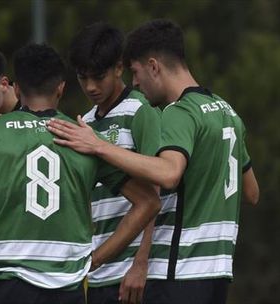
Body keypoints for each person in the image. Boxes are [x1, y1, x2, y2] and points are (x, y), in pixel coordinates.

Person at [47, 19, 260, 304]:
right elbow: (251, 192)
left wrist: (99, 147)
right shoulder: (227, 111)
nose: (135, 82)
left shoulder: (178, 112)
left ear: (153, 66)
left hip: (179, 267)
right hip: (217, 267)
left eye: (136, 72)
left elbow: (169, 174)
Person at [0, 44, 160, 304]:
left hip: (6, 281)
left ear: (15, 87)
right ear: (61, 88)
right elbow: (149, 202)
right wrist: (96, 258)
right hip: (67, 283)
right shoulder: (83, 137)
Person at [68, 22, 177, 304]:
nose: (90, 87)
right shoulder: (86, 121)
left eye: (99, 76)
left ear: (119, 68)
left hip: (132, 274)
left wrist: (141, 264)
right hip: (96, 270)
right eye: (83, 78)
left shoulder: (140, 110)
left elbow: (156, 192)